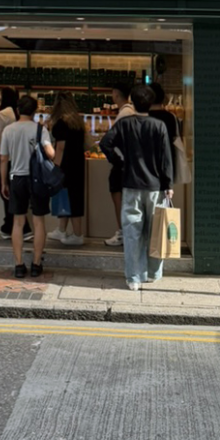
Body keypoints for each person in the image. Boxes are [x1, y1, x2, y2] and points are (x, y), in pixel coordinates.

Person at [100, 84, 173, 291]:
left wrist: (119, 162)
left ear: (132, 102)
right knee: (154, 231)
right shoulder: (159, 125)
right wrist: (168, 184)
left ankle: (133, 277)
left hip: (131, 184)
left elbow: (105, 143)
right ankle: (153, 273)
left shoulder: (125, 124)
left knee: (132, 232)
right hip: (155, 186)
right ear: (151, 103)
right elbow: (166, 157)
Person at [0, 95, 54, 278]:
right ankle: (36, 264)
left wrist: (4, 182)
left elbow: (3, 158)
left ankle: (19, 264)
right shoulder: (40, 129)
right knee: (38, 222)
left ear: (17, 110)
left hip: (17, 178)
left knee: (18, 222)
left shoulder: (8, 130)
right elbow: (51, 154)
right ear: (34, 111)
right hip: (37, 179)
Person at [46, 92, 86, 247]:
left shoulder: (61, 124)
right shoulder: (78, 122)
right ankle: (61, 230)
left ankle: (77, 235)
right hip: (78, 164)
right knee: (71, 197)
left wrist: (56, 167)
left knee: (68, 198)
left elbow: (60, 147)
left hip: (66, 165)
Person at [0, 88, 31, 241]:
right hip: (19, 159)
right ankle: (11, 226)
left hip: (5, 159)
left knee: (6, 194)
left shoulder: (2, 114)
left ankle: (21, 228)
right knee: (15, 194)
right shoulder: (17, 114)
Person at [104, 79, 135, 247]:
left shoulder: (124, 114)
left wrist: (115, 159)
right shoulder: (131, 111)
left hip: (122, 164)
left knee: (119, 198)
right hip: (129, 163)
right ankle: (127, 233)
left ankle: (123, 233)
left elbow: (109, 140)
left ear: (116, 94)